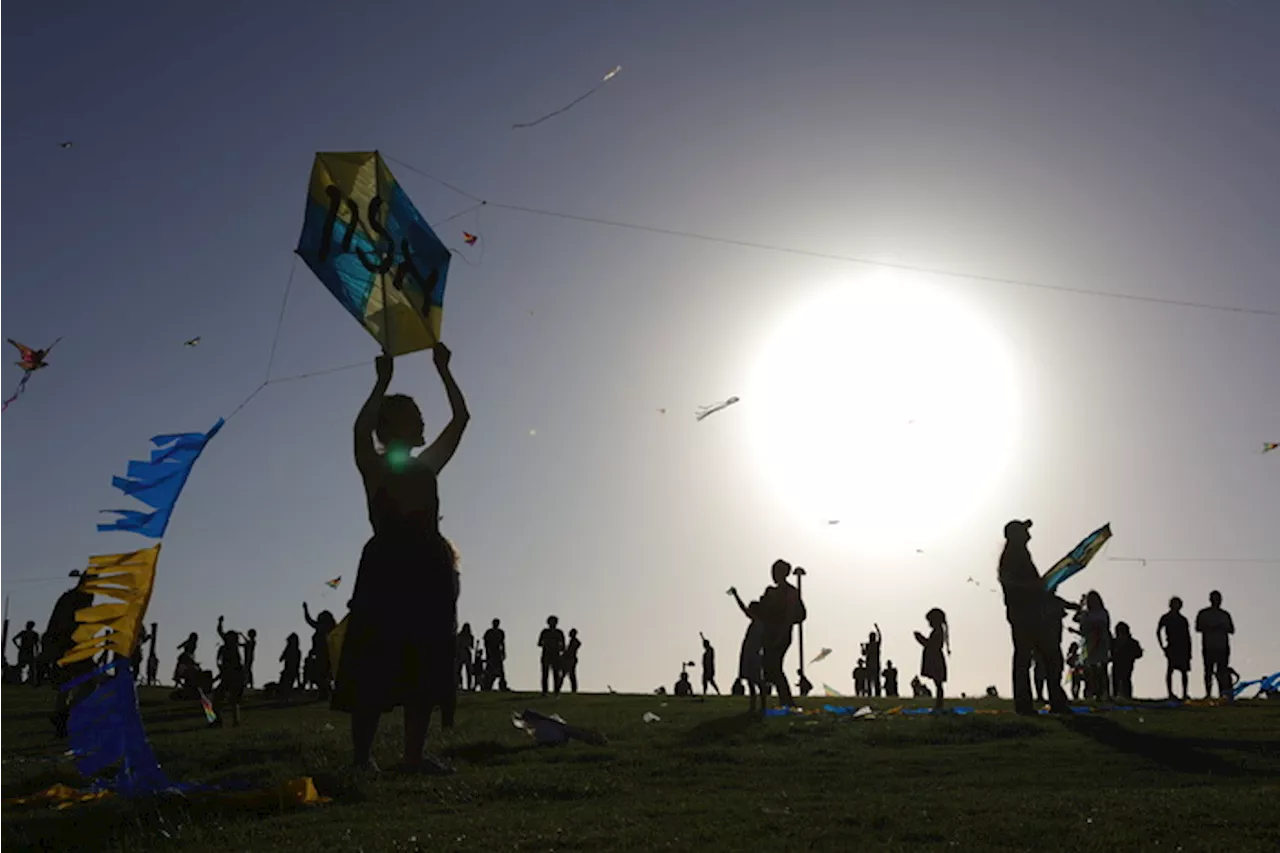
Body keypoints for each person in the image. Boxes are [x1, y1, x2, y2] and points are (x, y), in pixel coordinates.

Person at [331, 345, 470, 773]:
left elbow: (461, 419)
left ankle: (411, 755)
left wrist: (444, 370)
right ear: (394, 426)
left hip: (427, 569)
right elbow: (358, 431)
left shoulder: (426, 467)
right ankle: (361, 759)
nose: (424, 421)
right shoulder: (374, 467)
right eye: (415, 415)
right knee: (375, 658)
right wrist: (381, 381)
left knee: (424, 658)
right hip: (390, 569)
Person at [998, 520, 1071, 715]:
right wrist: (1035, 586)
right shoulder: (1011, 556)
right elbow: (1010, 582)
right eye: (1024, 530)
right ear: (1015, 535)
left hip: (1032, 613)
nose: (1028, 533)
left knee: (1048, 657)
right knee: (1031, 658)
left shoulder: (1020, 554)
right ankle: (1027, 705)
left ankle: (1053, 702)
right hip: (1024, 614)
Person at [43, 572, 96, 738]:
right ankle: (62, 716)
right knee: (74, 684)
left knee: (76, 685)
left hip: (75, 645)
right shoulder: (73, 599)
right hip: (67, 645)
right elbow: (62, 624)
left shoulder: (81, 599)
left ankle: (62, 715)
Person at [757, 559, 806, 710]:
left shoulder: (790, 592)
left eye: (775, 571)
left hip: (781, 634)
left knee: (775, 666)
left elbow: (791, 615)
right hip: (769, 634)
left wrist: (782, 633)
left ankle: (786, 700)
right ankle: (777, 699)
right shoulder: (771, 591)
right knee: (768, 667)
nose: (772, 574)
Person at [729, 586, 766, 712]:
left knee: (756, 680)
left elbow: (744, 609)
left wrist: (736, 595)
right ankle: (754, 705)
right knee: (751, 680)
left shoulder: (759, 623)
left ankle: (761, 705)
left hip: (753, 654)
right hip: (749, 652)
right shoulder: (758, 623)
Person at [1195, 590, 1235, 699]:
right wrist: (1209, 627)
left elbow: (1232, 630)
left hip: (1222, 646)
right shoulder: (1203, 613)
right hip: (1209, 646)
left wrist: (1222, 627)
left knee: (1222, 671)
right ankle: (1208, 694)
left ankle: (1222, 694)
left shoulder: (1225, 614)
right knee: (1208, 671)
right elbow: (1198, 628)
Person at [1072, 591, 1111, 701]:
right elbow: (1076, 619)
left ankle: (1105, 692)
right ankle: (1095, 692)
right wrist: (1080, 605)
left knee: (1102, 667)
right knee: (1092, 668)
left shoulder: (1102, 612)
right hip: (1090, 642)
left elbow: (1105, 626)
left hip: (1101, 641)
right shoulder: (1086, 613)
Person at [1157, 597, 1192, 701]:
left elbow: (1187, 635)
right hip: (1172, 646)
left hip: (1183, 647)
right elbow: (1158, 631)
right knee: (1170, 670)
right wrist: (1162, 646)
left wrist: (1189, 650)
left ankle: (1184, 693)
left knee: (1184, 671)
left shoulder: (1183, 620)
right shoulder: (1166, 617)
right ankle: (1170, 693)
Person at [914, 608, 949, 711]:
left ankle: (939, 704)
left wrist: (920, 638)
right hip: (935, 657)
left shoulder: (938, 632)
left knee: (938, 683)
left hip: (936, 659)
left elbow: (931, 645)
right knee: (937, 683)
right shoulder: (937, 631)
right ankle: (939, 704)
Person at [302, 603, 336, 699]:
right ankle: (324, 692)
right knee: (320, 675)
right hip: (321, 655)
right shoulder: (328, 628)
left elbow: (309, 621)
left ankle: (325, 692)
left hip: (324, 655)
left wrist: (305, 609)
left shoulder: (323, 629)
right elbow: (309, 621)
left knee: (321, 675)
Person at [1110, 621, 1143, 700]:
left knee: (1125, 679)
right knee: (1117, 680)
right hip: (1117, 663)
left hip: (1126, 663)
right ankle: (1116, 696)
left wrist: (1130, 656)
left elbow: (1139, 653)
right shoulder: (1114, 642)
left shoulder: (1131, 642)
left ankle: (1126, 696)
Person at [538, 616, 566, 696]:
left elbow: (563, 645)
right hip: (546, 654)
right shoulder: (545, 632)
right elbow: (539, 643)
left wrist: (558, 648)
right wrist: (547, 644)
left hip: (555, 655)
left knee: (556, 674)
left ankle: (556, 691)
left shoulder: (559, 632)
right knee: (545, 674)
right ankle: (545, 691)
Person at [483, 618, 508, 691]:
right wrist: (487, 653)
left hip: (497, 652)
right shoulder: (489, 632)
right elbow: (486, 643)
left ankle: (502, 686)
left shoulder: (500, 632)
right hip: (491, 652)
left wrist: (503, 652)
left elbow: (502, 643)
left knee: (500, 671)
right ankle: (487, 685)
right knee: (490, 670)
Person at [13, 620, 40, 685]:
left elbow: (36, 644)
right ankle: (19, 681)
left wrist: (37, 652)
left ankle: (32, 682)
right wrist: (18, 646)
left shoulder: (33, 634)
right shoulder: (24, 633)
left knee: (31, 668)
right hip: (24, 652)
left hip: (28, 652)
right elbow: (14, 639)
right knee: (21, 667)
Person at [559, 628, 582, 693]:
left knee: (568, 674)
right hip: (569, 659)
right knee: (568, 674)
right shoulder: (572, 641)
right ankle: (572, 689)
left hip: (570, 659)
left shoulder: (574, 642)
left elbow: (571, 651)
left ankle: (573, 689)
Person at [864, 624, 883, 698]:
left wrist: (878, 629)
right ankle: (871, 694)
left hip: (874, 665)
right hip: (871, 665)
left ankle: (876, 694)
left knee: (875, 681)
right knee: (871, 681)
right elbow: (864, 653)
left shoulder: (875, 644)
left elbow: (880, 638)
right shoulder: (870, 645)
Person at [456, 623, 474, 690]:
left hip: (467, 653)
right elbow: (457, 645)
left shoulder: (470, 636)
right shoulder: (460, 636)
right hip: (461, 653)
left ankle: (469, 685)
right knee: (459, 670)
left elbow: (472, 646)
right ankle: (459, 684)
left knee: (468, 670)